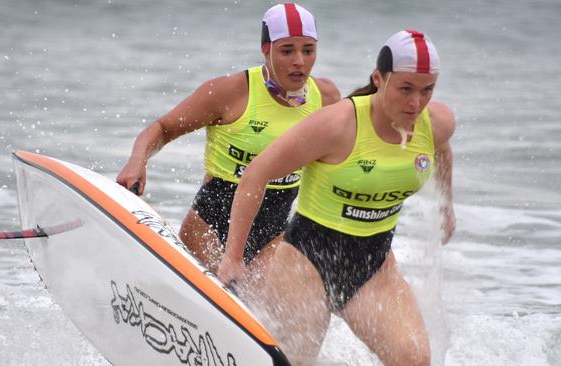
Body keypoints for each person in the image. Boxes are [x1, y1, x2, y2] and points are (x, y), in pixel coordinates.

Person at [218, 30, 456, 365]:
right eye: (405, 89)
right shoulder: (339, 125)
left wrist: (447, 207)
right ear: (379, 79)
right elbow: (256, 173)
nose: (416, 102)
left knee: (414, 360)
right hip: (306, 260)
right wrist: (233, 257)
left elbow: (442, 149)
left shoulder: (437, 123)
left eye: (427, 90)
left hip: (373, 265)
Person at [116, 3, 340, 282]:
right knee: (214, 304)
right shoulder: (230, 92)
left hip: (273, 234)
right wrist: (138, 161)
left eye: (308, 50)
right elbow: (162, 128)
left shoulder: (326, 98)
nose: (299, 61)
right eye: (287, 50)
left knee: (270, 319)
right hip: (210, 228)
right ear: (266, 50)